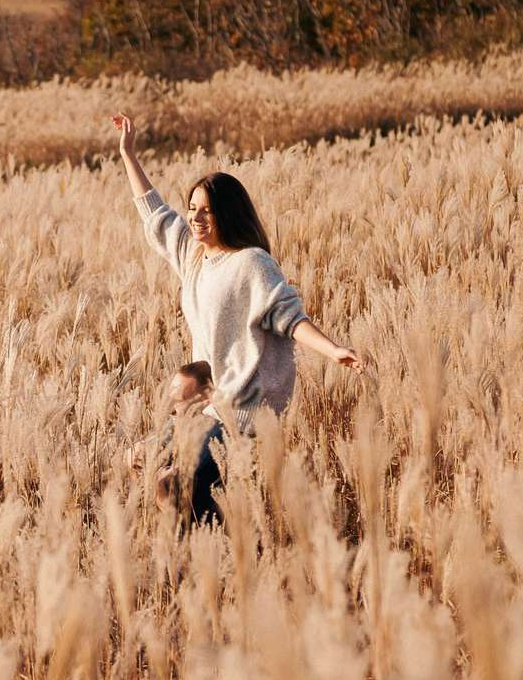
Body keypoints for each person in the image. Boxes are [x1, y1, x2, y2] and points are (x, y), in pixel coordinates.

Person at [110, 114, 365, 439]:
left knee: (174, 477)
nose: (196, 217)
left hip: (241, 411)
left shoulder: (251, 263)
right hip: (204, 406)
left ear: (227, 214)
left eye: (207, 210)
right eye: (192, 208)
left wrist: (333, 350)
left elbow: (288, 318)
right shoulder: (194, 257)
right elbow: (155, 214)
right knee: (143, 463)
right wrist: (128, 155)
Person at [130, 361, 225, 525]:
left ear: (208, 400)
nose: (171, 409)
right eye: (170, 400)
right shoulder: (180, 418)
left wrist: (164, 495)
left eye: (179, 401)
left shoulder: (215, 443)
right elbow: (160, 436)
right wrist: (140, 448)